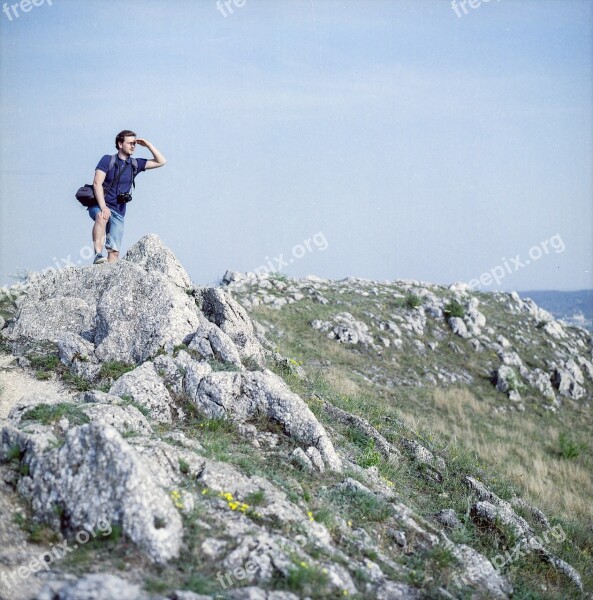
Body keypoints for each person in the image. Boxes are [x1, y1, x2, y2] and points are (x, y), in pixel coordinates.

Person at [90, 130, 166, 264]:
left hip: (119, 211)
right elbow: (97, 183)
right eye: (130, 143)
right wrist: (103, 206)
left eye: (134, 144)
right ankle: (97, 255)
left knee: (114, 252)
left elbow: (161, 161)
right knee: (102, 217)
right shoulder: (108, 160)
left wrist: (148, 145)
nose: (133, 146)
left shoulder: (134, 164)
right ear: (120, 144)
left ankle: (108, 277)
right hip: (100, 204)